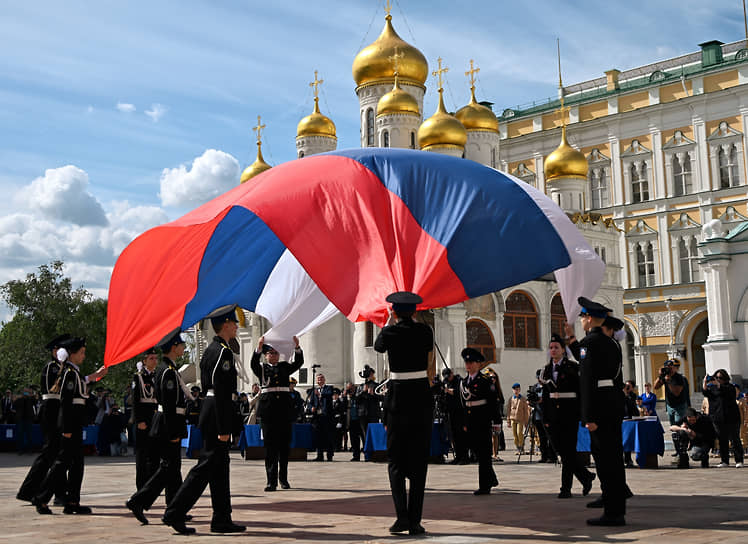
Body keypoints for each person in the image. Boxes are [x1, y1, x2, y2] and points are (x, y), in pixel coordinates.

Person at [162, 306, 245, 534]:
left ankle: (221, 518)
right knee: (205, 468)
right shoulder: (222, 352)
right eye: (234, 323)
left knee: (219, 469)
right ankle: (175, 512)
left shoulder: (212, 349)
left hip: (212, 411)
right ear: (226, 325)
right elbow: (220, 390)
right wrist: (224, 426)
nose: (237, 327)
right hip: (217, 413)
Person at [374, 291, 433, 536]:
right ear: (415, 312)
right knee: (419, 463)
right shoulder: (424, 331)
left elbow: (378, 346)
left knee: (396, 462)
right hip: (420, 398)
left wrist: (389, 321)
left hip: (398, 398)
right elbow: (426, 343)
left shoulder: (389, 332)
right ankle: (416, 521)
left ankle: (402, 518)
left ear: (395, 312)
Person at [33, 336, 107, 515]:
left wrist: (97, 375)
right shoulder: (69, 374)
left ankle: (73, 501)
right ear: (72, 354)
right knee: (62, 464)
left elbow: (84, 382)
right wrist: (66, 429)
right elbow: (65, 403)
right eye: (81, 352)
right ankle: (42, 498)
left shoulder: (74, 373)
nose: (84, 355)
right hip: (69, 426)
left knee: (76, 464)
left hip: (75, 424)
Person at [126, 331, 189, 525]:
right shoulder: (168, 371)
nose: (183, 348)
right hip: (167, 424)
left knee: (172, 469)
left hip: (165, 422)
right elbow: (169, 404)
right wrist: (173, 431)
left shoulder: (167, 368)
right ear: (173, 347)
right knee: (169, 468)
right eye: (181, 344)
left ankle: (174, 508)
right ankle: (139, 501)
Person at [575, 297, 627, 526]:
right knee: (614, 458)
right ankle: (617, 507)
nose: (582, 321)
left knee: (605, 461)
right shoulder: (611, 343)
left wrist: (588, 416)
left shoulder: (590, 343)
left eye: (583, 317)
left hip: (599, 408)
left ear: (589, 318)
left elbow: (586, 382)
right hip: (612, 404)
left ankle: (613, 513)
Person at [17, 334, 71, 502]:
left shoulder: (66, 368)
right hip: (51, 410)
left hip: (59, 409)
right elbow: (53, 389)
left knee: (56, 453)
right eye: (62, 349)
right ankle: (32, 491)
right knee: (50, 453)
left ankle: (55, 492)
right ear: (55, 351)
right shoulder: (52, 367)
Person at [541, 334, 596, 498]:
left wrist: (583, 414)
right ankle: (585, 476)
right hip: (553, 416)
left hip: (569, 414)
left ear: (563, 350)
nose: (553, 350)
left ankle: (566, 489)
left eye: (556, 347)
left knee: (568, 451)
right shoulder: (546, 370)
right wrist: (545, 417)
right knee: (563, 452)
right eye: (551, 347)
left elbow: (580, 393)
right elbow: (545, 396)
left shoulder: (573, 367)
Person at [251, 335, 303, 491]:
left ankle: (284, 479)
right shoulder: (261, 368)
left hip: (284, 411)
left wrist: (297, 347)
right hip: (268, 412)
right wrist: (258, 347)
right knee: (270, 448)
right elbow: (253, 363)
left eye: (275, 353)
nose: (273, 355)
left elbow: (299, 363)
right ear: (266, 355)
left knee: (284, 447)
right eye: (270, 353)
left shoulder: (284, 367)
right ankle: (271, 481)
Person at [460, 348, 499, 495]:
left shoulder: (485, 381)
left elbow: (492, 403)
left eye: (471, 362)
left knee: (483, 454)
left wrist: (496, 422)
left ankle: (484, 485)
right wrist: (464, 421)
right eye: (466, 362)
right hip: (470, 420)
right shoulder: (464, 381)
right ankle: (491, 477)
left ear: (478, 364)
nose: (468, 365)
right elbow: (464, 404)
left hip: (482, 420)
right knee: (476, 450)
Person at [702, 369, 744, 468]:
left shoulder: (730, 387)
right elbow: (705, 393)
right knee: (722, 440)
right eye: (716, 377)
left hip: (732, 418)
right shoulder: (713, 389)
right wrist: (705, 382)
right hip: (718, 418)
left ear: (725, 378)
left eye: (720, 378)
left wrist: (718, 384)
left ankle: (739, 460)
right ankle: (724, 460)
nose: (718, 380)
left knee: (735, 439)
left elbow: (726, 392)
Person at [132, 348, 160, 489]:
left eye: (155, 358)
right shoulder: (138, 377)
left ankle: (152, 484)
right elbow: (136, 400)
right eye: (151, 358)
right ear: (144, 361)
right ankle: (141, 485)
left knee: (154, 452)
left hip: (154, 417)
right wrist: (139, 420)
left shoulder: (157, 376)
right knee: (142, 454)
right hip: (144, 418)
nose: (154, 361)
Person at [442, 367, 468, 464]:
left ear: (452, 373)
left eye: (449, 376)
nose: (448, 379)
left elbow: (458, 392)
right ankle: (458, 456)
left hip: (460, 413)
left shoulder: (459, 381)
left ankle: (464, 457)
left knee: (461, 436)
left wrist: (446, 390)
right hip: (451, 413)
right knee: (454, 436)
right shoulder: (446, 381)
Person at [309, 373, 336, 461]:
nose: (320, 380)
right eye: (318, 379)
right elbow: (310, 402)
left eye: (321, 378)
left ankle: (329, 455)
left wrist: (320, 394)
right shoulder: (314, 391)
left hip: (327, 416)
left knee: (328, 435)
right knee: (318, 436)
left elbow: (329, 394)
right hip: (318, 416)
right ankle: (319, 455)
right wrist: (311, 407)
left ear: (324, 380)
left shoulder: (329, 388)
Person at [654, 359, 690, 425]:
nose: (669, 370)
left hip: (679, 406)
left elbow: (676, 393)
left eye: (671, 367)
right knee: (672, 426)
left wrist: (669, 381)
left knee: (678, 425)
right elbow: (656, 387)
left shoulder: (679, 377)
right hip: (670, 405)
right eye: (667, 368)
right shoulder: (665, 376)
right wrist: (660, 376)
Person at [506, 383, 529, 454]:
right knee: (515, 434)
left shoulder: (523, 399)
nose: (516, 391)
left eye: (518, 389)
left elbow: (525, 411)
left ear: (520, 390)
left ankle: (522, 447)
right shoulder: (511, 399)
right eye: (515, 389)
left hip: (520, 419)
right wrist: (508, 420)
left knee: (520, 433)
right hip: (513, 419)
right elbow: (508, 410)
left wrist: (526, 421)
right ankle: (518, 447)